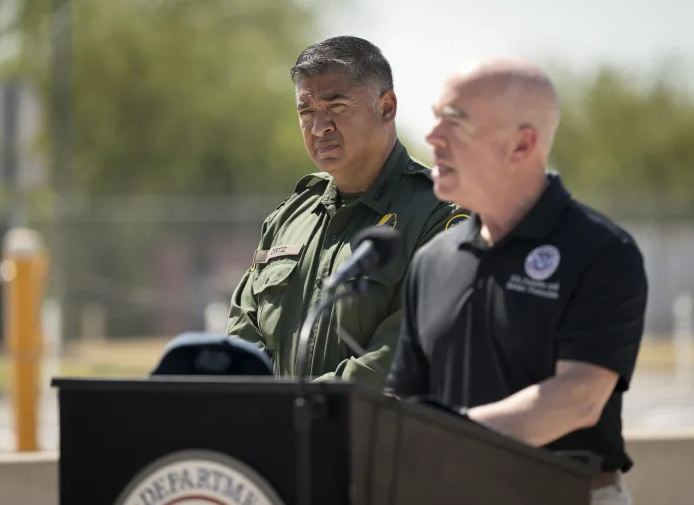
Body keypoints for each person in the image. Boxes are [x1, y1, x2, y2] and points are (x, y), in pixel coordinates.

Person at [384, 58, 648, 505]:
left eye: (455, 122)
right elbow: (406, 400)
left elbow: (576, 399)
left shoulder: (601, 251)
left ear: (522, 144)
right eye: (434, 118)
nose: (431, 138)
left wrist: (445, 439)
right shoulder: (433, 259)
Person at [226, 36, 469, 388]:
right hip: (275, 430)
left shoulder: (439, 215)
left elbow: (408, 349)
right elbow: (242, 327)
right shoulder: (291, 216)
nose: (318, 127)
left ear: (386, 107)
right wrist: (259, 404)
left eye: (336, 106)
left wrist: (302, 407)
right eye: (305, 111)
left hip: (373, 435)